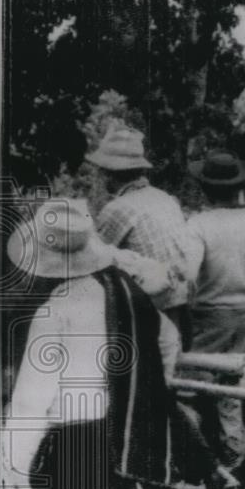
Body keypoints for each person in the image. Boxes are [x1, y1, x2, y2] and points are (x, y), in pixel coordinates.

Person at [3, 199, 196, 489]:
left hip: (70, 442)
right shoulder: (127, 292)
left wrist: (12, 462)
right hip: (122, 438)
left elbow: (31, 395)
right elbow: (167, 345)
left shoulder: (55, 310)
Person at [187, 150, 245, 467]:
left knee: (191, 384)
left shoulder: (198, 225)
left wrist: (183, 317)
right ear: (241, 186)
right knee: (236, 387)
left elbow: (187, 278)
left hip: (208, 317)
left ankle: (206, 459)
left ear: (205, 188)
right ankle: (239, 456)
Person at [86, 122, 193, 345]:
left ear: (109, 174)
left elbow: (94, 260)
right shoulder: (165, 198)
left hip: (151, 303)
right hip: (180, 302)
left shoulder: (117, 208)